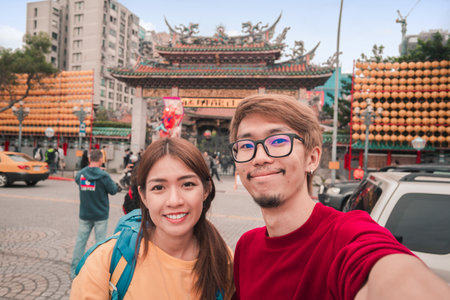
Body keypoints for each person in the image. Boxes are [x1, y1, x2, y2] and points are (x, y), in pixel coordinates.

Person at [229, 94, 449, 300]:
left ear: (312, 159)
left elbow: (391, 274)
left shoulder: (346, 235)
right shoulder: (246, 247)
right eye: (246, 146)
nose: (259, 157)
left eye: (278, 142)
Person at [71, 138, 234, 299]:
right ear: (143, 196)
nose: (174, 201)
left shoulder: (224, 261)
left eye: (188, 184)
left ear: (206, 189)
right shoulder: (103, 263)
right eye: (158, 187)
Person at [70, 149, 118, 279]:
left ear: (89, 159)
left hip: (85, 214)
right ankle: (99, 271)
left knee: (80, 242)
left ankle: (74, 271)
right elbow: (113, 190)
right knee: (100, 244)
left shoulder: (81, 174)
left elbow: (77, 180)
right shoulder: (104, 176)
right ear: (101, 159)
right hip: (100, 215)